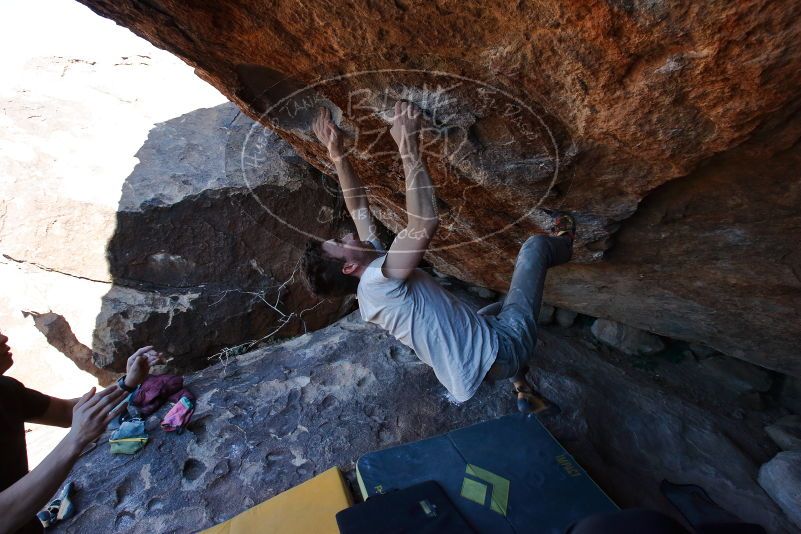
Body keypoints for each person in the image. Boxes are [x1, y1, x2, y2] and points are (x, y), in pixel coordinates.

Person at [301, 103, 575, 409]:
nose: (349, 234)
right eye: (341, 241)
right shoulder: (379, 281)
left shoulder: (371, 283)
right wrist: (408, 144)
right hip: (504, 350)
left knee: (493, 309)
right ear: (349, 266)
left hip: (479, 370)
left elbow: (359, 208)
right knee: (535, 248)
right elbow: (424, 223)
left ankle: (522, 389)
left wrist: (336, 153)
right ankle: (567, 238)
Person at [0, 331, 163, 533]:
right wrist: (75, 440)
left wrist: (127, 383)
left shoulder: (5, 390)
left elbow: (67, 412)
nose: (3, 337)